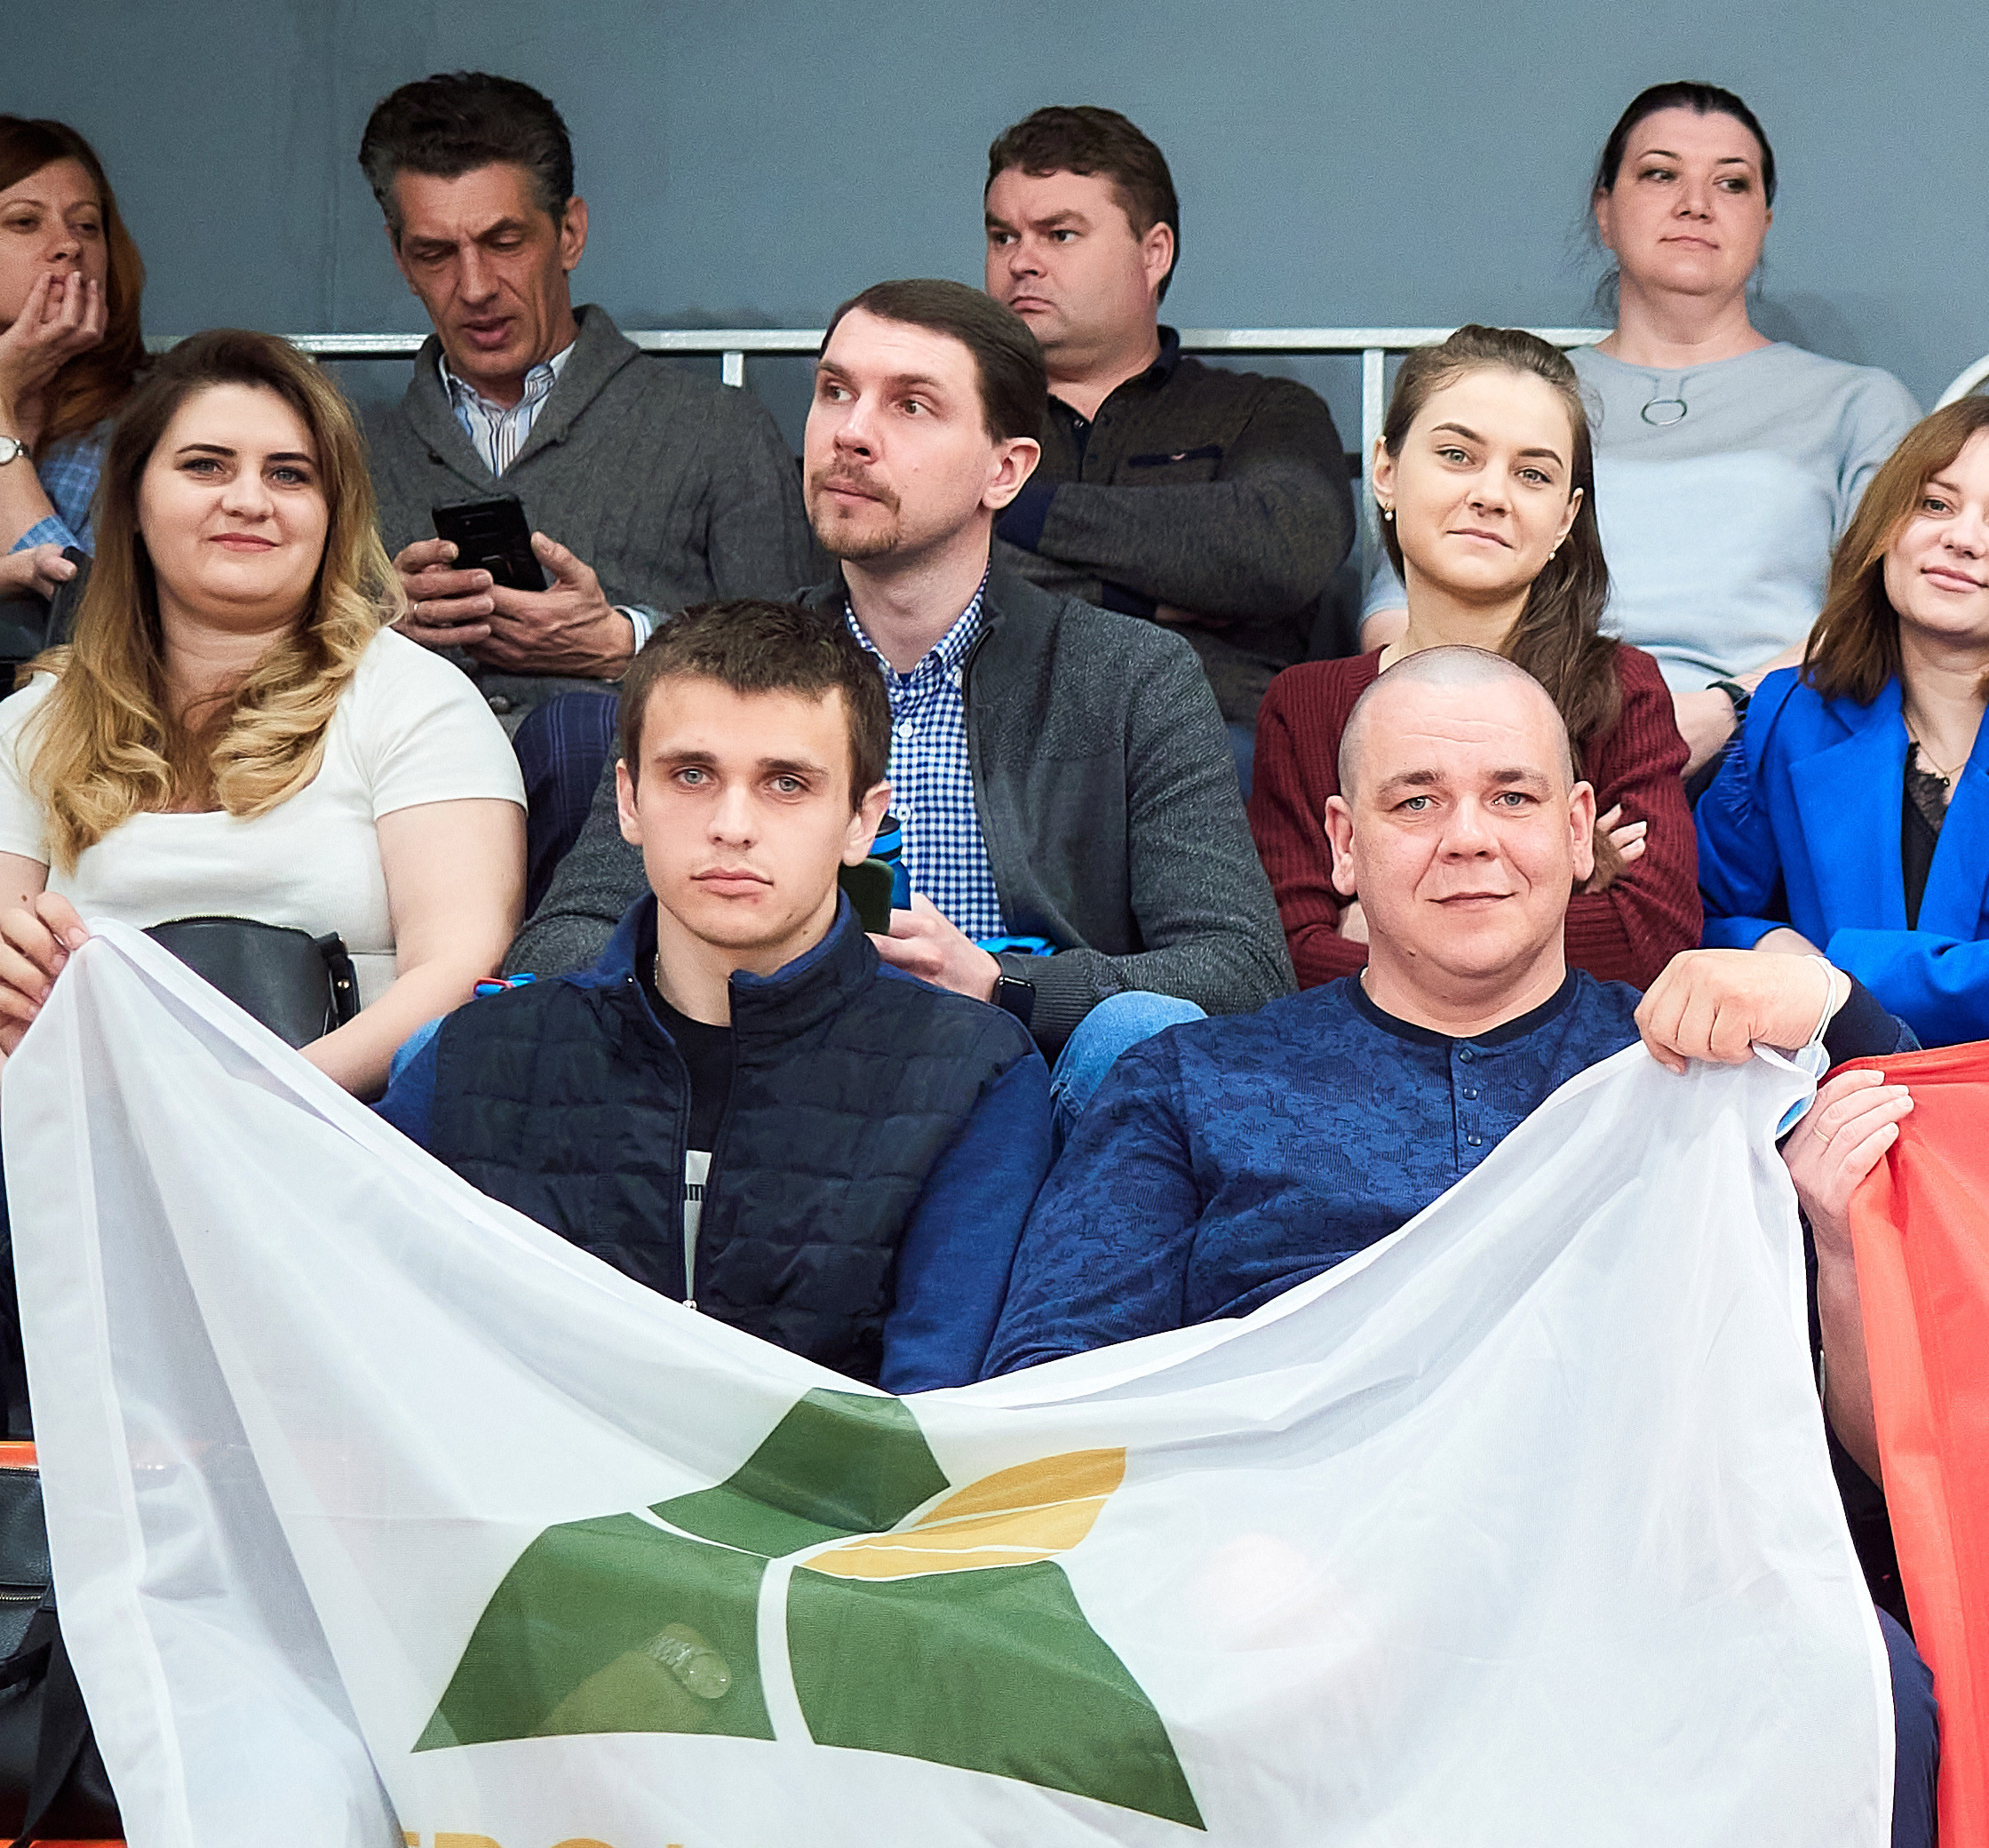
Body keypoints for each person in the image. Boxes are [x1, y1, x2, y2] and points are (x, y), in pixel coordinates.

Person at [983, 642, 1938, 1848]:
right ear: (1342, 843)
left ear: (1579, 828)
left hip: (1653, 1583)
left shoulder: (1710, 1064)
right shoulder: (1194, 1084)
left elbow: (1946, 1215)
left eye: (1510, 796)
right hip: (1295, 1583)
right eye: (1417, 800)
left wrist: (1846, 1004)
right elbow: (1056, 1386)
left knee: (1872, 1691)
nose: (1469, 839)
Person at [513, 280, 1286, 1100]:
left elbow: (1240, 970)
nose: (850, 433)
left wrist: (1004, 985)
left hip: (1025, 1087)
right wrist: (731, 969)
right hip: (749, 1078)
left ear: (1005, 470)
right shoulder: (705, 668)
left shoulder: (1132, 675)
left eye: (911, 406)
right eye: (835, 392)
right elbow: (558, 944)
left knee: (1139, 1031)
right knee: (449, 1051)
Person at [382, 601, 1049, 1392]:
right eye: (692, 775)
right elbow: (373, 1352)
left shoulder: (972, 1073)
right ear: (629, 800)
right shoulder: (477, 1054)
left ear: (860, 822)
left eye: (787, 784)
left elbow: (931, 1411)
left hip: (838, 1512)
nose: (733, 826)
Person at [0, 331, 522, 1098]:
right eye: (205, 465)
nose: (248, 500)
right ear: (135, 500)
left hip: (345, 1137)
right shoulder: (34, 721)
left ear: (332, 514)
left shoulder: (419, 700)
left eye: (290, 474)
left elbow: (456, 967)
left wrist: (254, 1106)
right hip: (81, 1137)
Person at [352, 73, 821, 903]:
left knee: (578, 737)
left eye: (504, 241)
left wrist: (626, 644)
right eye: (435, 253)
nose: (474, 287)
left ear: (569, 232)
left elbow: (806, 676)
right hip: (391, 841)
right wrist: (378, 633)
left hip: (636, 862)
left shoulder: (718, 428)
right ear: (400, 258)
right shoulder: (342, 452)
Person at [1359, 83, 1912, 776]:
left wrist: (1725, 709)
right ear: (1604, 209)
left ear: (1765, 219)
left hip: (1771, 745)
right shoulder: (1518, 394)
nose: (1696, 203)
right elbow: (1397, 610)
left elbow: (1884, 609)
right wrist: (1491, 723)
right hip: (1526, 735)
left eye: (1732, 184)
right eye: (1660, 173)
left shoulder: (1858, 402)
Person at [1692, 394, 1989, 1044]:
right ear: (1885, 530)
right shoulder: (1791, 714)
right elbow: (1700, 918)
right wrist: (1768, 944)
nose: (1962, 538)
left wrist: (1832, 982)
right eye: (1934, 505)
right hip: (1838, 1104)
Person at [1250, 326, 1696, 989]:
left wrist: (1388, 921)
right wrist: (1544, 904)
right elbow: (1289, 960)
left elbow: (1649, 941)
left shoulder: (1619, 688)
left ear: (1566, 518)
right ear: (1386, 471)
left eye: (1533, 473)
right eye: (1458, 455)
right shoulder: (1305, 704)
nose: (1492, 495)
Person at [981, 106, 1353, 732]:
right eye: (1003, 237)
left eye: (1059, 234)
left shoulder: (1262, 411)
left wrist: (1007, 511)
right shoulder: (953, 413)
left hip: (1211, 742)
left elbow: (1283, 551)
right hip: (995, 741)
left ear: (1154, 253)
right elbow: (901, 580)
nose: (1022, 261)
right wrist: (1141, 596)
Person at [0, 116, 153, 621]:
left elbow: (94, 620)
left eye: (87, 225)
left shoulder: (145, 426)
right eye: (24, 221)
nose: (69, 245)